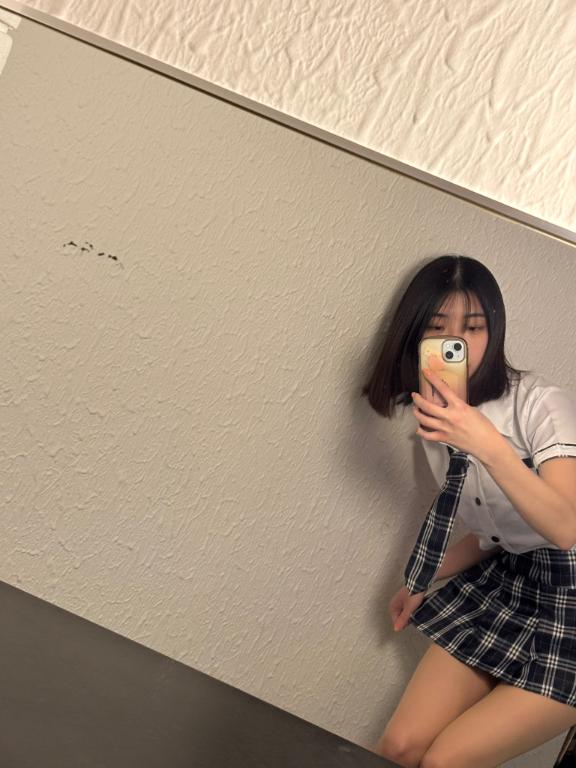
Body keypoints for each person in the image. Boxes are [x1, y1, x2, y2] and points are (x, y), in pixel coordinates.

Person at [362, 254, 576, 767]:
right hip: (513, 581)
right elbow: (494, 536)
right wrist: (420, 579)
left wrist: (486, 443)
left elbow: (565, 526)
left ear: (493, 332)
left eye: (473, 327)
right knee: (399, 748)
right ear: (415, 334)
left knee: (445, 762)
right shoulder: (434, 425)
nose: (455, 341)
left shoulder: (540, 404)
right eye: (438, 327)